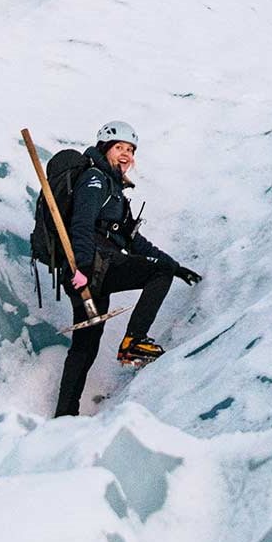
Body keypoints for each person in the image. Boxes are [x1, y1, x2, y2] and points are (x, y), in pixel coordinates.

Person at [54, 120, 202, 417]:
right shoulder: (95, 179)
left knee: (85, 347)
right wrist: (81, 267)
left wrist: (176, 267)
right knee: (156, 272)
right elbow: (81, 223)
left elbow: (134, 241)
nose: (126, 154)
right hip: (92, 266)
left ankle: (63, 415)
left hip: (90, 272)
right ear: (105, 149)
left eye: (131, 149)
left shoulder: (114, 190)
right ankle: (134, 341)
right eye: (119, 147)